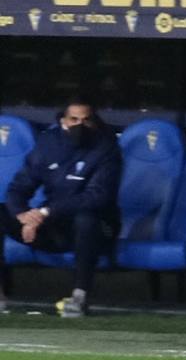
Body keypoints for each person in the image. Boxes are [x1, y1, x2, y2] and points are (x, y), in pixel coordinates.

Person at [1, 99, 121, 319]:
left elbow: (97, 196)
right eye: (74, 119)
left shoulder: (106, 147)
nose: (79, 126)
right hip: (53, 227)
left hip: (98, 230)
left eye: (86, 120)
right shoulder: (48, 144)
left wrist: (45, 212)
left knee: (86, 218)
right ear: (63, 121)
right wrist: (23, 215)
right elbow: (19, 188)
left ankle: (79, 296)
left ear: (94, 122)